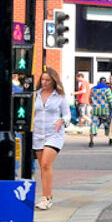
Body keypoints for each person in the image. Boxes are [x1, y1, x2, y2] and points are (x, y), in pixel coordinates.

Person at [32, 67, 68, 210]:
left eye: (47, 80)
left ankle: (45, 198)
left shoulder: (60, 97)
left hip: (54, 134)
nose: (44, 82)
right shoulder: (35, 95)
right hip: (38, 134)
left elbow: (67, 115)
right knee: (43, 167)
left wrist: (61, 120)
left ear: (54, 81)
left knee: (46, 163)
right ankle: (48, 195)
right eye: (43, 80)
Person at [91, 77, 112, 145]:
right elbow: (110, 100)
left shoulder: (93, 89)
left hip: (95, 110)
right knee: (109, 124)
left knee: (94, 124)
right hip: (105, 110)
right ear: (105, 82)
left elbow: (90, 99)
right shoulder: (107, 89)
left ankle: (92, 139)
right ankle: (111, 139)